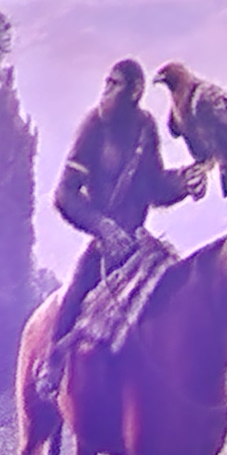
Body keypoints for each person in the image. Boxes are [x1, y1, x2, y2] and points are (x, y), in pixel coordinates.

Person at [48, 56, 203, 349]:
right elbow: (64, 194)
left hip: (138, 244)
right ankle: (52, 363)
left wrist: (185, 181)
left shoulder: (145, 126)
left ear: (134, 92)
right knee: (71, 303)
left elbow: (154, 186)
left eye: (114, 84)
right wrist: (103, 227)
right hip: (104, 248)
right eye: (106, 83)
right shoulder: (93, 126)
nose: (106, 91)